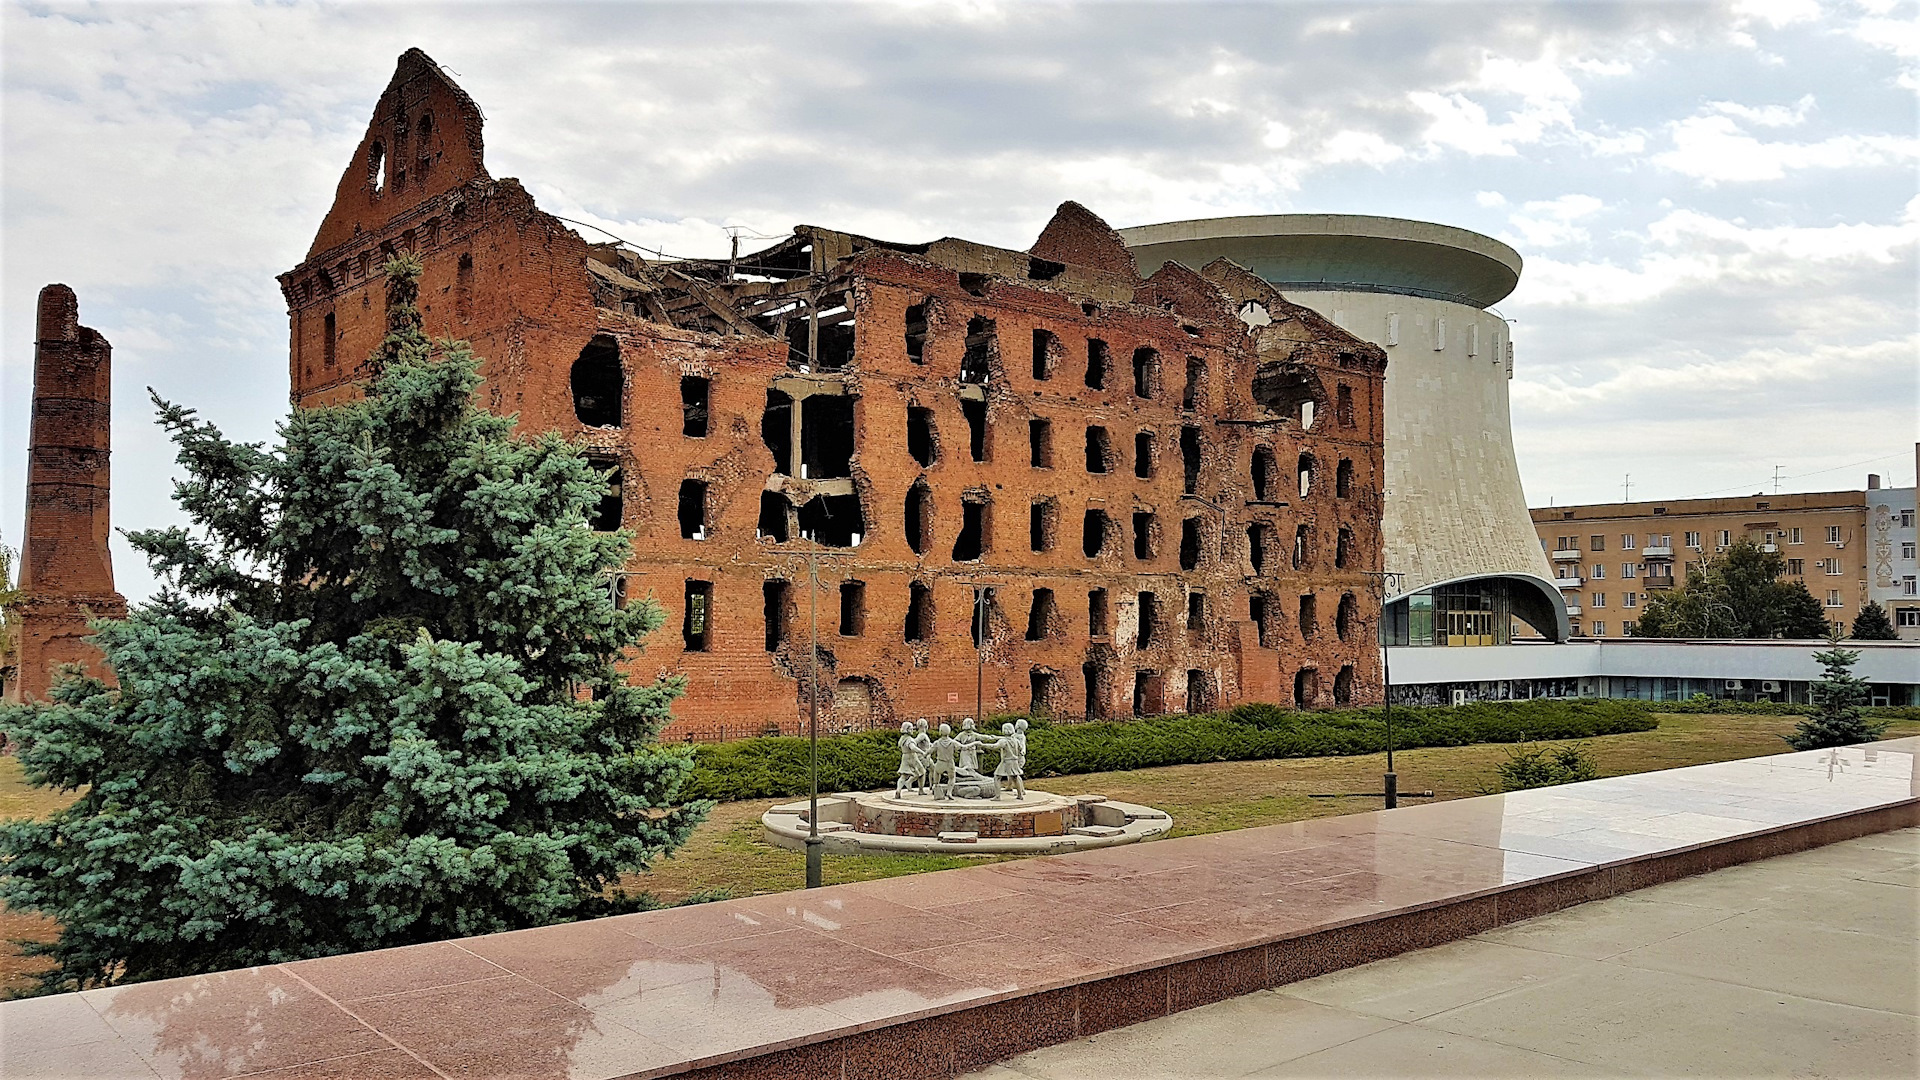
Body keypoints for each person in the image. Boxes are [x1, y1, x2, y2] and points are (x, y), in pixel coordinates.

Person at [929, 723, 960, 800]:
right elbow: (962, 747)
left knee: (936, 773)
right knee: (952, 778)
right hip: (950, 762)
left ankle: (936, 786)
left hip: (940, 762)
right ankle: (949, 792)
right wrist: (973, 744)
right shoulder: (953, 742)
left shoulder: (937, 742)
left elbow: (930, 751)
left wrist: (924, 754)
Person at [894, 721, 922, 799]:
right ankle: (920, 789)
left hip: (904, 756)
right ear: (908, 730)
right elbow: (912, 747)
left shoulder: (902, 739)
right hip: (912, 757)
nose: (912, 730)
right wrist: (922, 752)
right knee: (921, 772)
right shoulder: (909, 739)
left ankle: (899, 789)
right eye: (911, 729)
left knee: (903, 775)